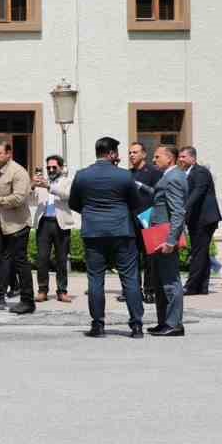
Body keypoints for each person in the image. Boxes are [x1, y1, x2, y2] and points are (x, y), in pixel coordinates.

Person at [68, 136, 146, 339]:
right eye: (117, 153)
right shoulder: (124, 176)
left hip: (93, 231)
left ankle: (98, 325)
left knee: (95, 279)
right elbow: (135, 202)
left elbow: (74, 203)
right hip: (122, 230)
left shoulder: (82, 175)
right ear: (111, 154)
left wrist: (92, 212)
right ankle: (136, 326)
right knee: (130, 278)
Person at [0, 140, 32, 313]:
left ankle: (27, 301)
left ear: (9, 153)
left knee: (20, 262)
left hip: (17, 224)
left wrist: (0, 201)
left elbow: (19, 198)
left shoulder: (18, 172)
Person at [147, 145, 188, 336]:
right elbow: (161, 199)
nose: (153, 160)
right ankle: (164, 322)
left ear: (169, 158)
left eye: (157, 157)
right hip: (157, 234)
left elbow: (178, 212)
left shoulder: (173, 178)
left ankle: (174, 324)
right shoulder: (169, 177)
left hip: (165, 236)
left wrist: (171, 241)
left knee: (170, 281)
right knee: (160, 280)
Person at [177, 146, 222, 295]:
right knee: (201, 252)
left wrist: (183, 209)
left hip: (204, 219)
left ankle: (191, 286)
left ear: (193, 158)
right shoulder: (188, 173)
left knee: (198, 252)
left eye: (184, 156)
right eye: (180, 156)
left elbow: (197, 192)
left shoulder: (201, 172)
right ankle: (201, 287)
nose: (180, 159)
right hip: (197, 219)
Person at [31, 155, 77, 304]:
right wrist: (32, 186)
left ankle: (62, 291)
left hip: (60, 224)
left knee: (61, 259)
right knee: (42, 258)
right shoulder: (41, 182)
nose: (50, 170)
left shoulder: (67, 181)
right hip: (44, 223)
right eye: (48, 167)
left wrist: (49, 187)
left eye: (53, 167)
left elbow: (68, 196)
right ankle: (42, 290)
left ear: (61, 168)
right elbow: (29, 198)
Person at [126, 142, 162, 304]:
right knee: (132, 258)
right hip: (131, 220)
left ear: (144, 154)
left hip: (148, 219)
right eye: (130, 153)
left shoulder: (154, 173)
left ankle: (150, 290)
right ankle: (134, 291)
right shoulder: (127, 174)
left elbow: (158, 195)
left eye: (135, 152)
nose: (132, 155)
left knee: (150, 259)